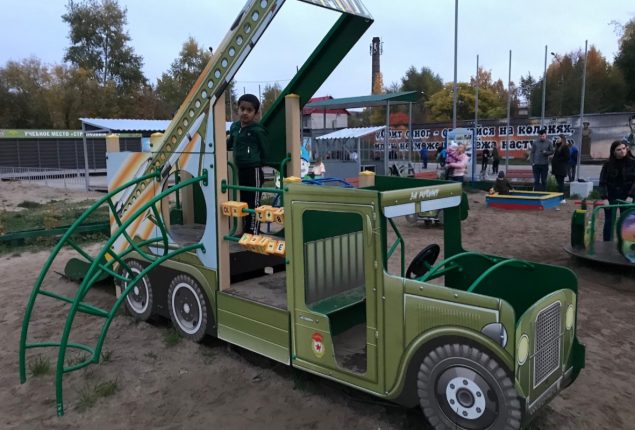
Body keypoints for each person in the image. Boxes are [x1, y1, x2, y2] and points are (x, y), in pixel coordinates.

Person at [226, 94, 268, 235]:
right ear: (237, 109)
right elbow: (230, 143)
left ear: (255, 113)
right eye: (242, 109)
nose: (245, 112)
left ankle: (253, 231)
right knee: (242, 200)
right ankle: (244, 229)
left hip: (253, 170)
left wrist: (257, 161)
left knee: (253, 201)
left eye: (249, 110)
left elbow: (265, 149)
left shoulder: (257, 130)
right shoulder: (235, 127)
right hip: (239, 169)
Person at [598, 140, 635, 241]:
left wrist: (631, 196)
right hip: (611, 196)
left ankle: (626, 245)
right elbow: (602, 182)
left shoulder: (633, 163)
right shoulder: (607, 164)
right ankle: (607, 244)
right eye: (619, 149)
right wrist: (604, 198)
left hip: (627, 197)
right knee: (609, 221)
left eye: (624, 148)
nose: (622, 151)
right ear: (614, 152)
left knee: (628, 221)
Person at [551, 134, 570, 198]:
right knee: (559, 184)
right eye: (557, 138)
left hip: (561, 169)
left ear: (562, 139)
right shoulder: (558, 146)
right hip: (556, 169)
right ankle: (559, 197)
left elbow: (567, 157)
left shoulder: (565, 147)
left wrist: (558, 160)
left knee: (561, 184)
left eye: (558, 138)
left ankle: (562, 198)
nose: (557, 139)